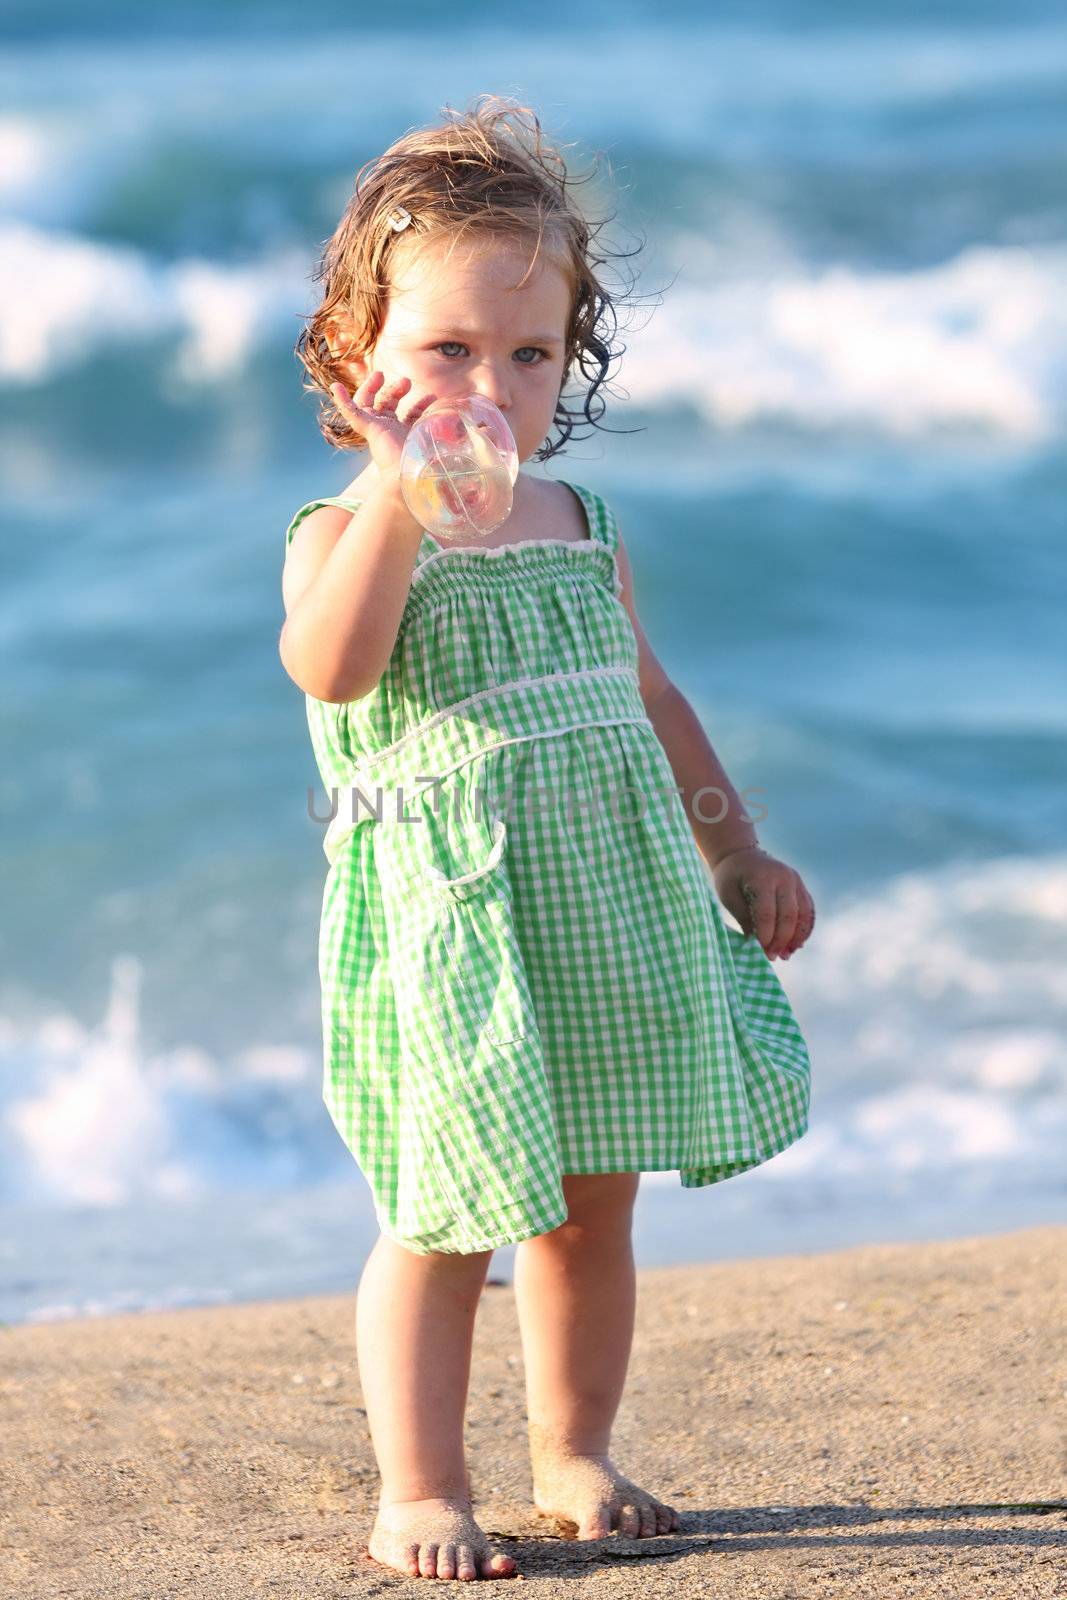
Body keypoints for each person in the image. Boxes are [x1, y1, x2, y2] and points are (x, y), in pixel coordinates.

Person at [280, 94, 816, 1584]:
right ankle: (421, 1487)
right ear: (354, 360)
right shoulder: (344, 532)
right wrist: (396, 497)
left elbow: (652, 697)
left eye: (528, 355)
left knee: (595, 1202)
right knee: (448, 1211)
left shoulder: (579, 518)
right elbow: (328, 668)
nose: (491, 388)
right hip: (457, 920)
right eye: (447, 350)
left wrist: (733, 856)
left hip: (607, 906)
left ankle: (574, 1449)